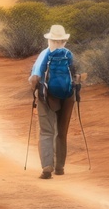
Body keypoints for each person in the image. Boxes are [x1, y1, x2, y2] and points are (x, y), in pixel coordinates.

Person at [27, 24, 83, 179]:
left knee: (46, 131)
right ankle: (59, 167)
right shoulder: (69, 54)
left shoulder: (44, 54)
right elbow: (77, 76)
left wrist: (34, 87)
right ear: (64, 40)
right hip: (68, 96)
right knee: (62, 132)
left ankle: (47, 167)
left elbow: (34, 77)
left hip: (47, 96)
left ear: (49, 39)